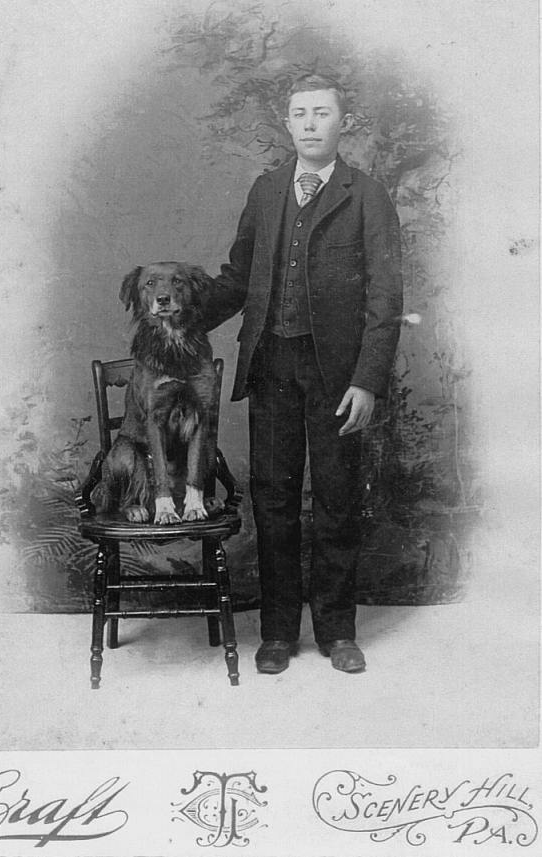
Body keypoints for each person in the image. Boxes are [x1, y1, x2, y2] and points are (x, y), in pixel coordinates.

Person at [203, 73, 403, 674]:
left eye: (322, 113)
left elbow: (386, 298)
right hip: (272, 369)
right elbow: (238, 278)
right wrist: (183, 317)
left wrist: (366, 380)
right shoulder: (265, 191)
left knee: (339, 500)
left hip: (338, 377)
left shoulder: (366, 195)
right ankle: (277, 633)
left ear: (342, 123)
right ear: (287, 124)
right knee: (274, 499)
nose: (311, 123)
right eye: (299, 114)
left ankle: (338, 630)